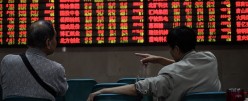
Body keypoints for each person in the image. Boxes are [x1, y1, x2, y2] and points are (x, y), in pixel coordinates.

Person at [87, 26, 221, 101]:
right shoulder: (210, 59)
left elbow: (138, 88)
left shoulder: (169, 76)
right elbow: (189, 66)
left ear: (176, 49)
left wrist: (103, 91)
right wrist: (159, 60)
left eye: (170, 48)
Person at [0, 20, 68, 101]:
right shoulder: (57, 69)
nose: (56, 42)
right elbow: (63, 93)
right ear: (48, 42)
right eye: (55, 38)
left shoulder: (7, 61)